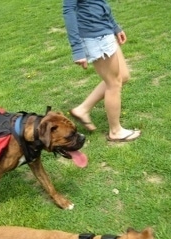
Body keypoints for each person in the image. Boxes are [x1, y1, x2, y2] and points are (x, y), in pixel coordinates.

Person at [63, 0, 141, 142]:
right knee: (114, 83)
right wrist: (77, 48)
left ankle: (82, 110)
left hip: (104, 31)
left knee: (123, 76)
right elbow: (69, 10)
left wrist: (115, 27)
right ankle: (115, 131)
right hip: (94, 35)